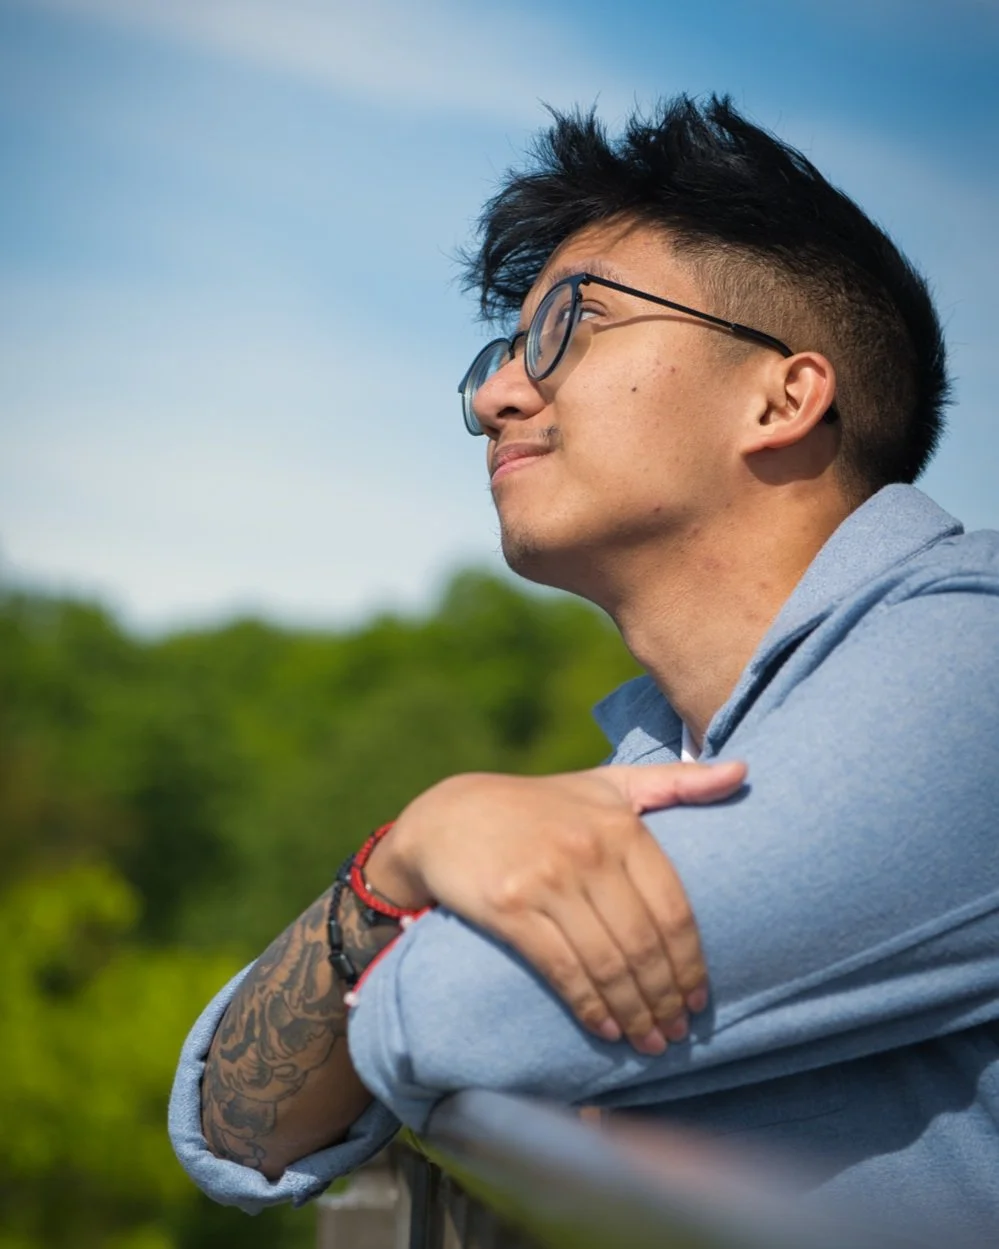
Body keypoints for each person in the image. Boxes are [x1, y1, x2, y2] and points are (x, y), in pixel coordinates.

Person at [169, 95, 999, 1240]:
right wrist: (405, 858)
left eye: (571, 326)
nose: (495, 394)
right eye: (504, 350)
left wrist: (433, 971)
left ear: (783, 395)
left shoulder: (974, 671)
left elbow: (468, 1012)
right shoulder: (673, 751)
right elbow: (241, 1131)